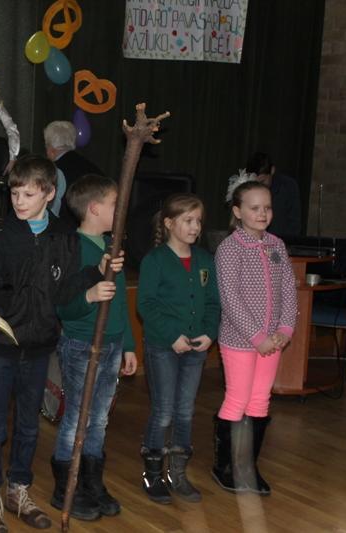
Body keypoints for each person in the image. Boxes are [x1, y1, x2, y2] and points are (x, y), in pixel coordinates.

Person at [0, 155, 114, 533]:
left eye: (28, 194)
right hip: (1, 347)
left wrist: (94, 274)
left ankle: (18, 490)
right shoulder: (2, 237)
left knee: (29, 427)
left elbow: (62, 291)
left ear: (49, 193)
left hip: (38, 348)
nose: (19, 201)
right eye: (15, 193)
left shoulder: (65, 237)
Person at [51, 175, 136, 521]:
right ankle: (65, 487)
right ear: (95, 208)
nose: (121, 210)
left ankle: (91, 481)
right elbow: (62, 306)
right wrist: (88, 295)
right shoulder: (72, 247)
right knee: (76, 416)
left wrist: (129, 345)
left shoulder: (112, 246)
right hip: (82, 344)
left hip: (112, 344)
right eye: (116, 204)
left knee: (99, 418)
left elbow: (120, 302)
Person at [212, 177, 297, 496]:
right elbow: (230, 298)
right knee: (238, 399)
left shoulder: (277, 245)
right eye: (254, 208)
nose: (262, 214)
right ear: (237, 211)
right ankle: (224, 467)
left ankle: (248, 466)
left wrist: (284, 329)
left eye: (267, 208)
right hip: (241, 340)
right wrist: (257, 336)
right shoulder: (230, 248)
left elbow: (289, 290)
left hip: (273, 340)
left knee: (260, 400)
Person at [136, 193, 220, 504]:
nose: (195, 226)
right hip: (163, 347)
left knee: (185, 410)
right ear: (170, 223)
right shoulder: (155, 260)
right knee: (163, 410)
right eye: (188, 220)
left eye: (199, 221)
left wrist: (210, 333)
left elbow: (212, 301)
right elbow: (146, 304)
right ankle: (153, 474)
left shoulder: (204, 260)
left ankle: (178, 474)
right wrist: (172, 336)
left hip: (197, 348)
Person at [44, 121, 105, 229]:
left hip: (64, 231)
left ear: (51, 147)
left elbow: (50, 210)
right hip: (94, 229)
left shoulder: (53, 172)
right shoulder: (93, 168)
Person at [244, 152, 302, 237]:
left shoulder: (289, 186)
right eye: (255, 183)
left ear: (272, 170)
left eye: (263, 181)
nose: (259, 186)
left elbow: (294, 224)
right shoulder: (246, 188)